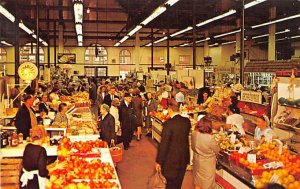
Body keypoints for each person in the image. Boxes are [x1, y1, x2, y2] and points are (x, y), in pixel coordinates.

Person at [156, 99, 191, 189]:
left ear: (169, 110)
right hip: (183, 159)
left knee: (170, 184)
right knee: (178, 184)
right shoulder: (186, 122)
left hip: (171, 161)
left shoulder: (168, 124)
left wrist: (159, 161)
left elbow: (164, 144)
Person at [191, 117, 220, 189]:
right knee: (207, 184)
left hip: (197, 161)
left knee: (197, 183)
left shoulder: (194, 134)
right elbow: (217, 150)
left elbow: (192, 147)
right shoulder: (210, 138)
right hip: (207, 165)